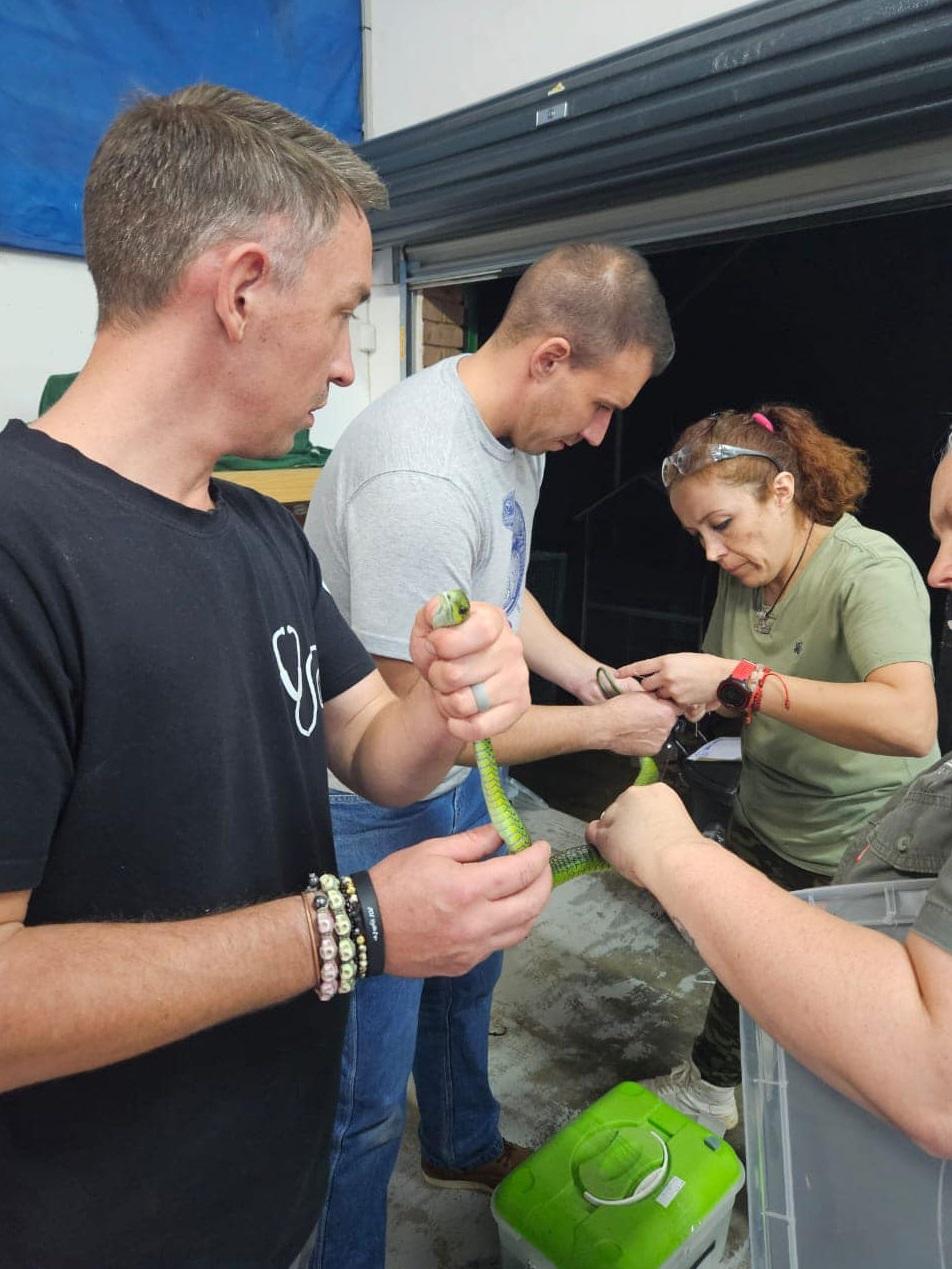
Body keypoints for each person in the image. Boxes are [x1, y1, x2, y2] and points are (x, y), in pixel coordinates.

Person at [0, 84, 554, 1269]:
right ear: (244, 289)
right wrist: (355, 926)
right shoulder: (19, 551)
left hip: (268, 1187)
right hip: (103, 1228)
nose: (351, 369)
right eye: (348, 313)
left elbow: (368, 747)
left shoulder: (256, 533)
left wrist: (452, 708)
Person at [303, 243, 679, 1268]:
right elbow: (412, 719)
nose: (599, 435)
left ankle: (462, 1146)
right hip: (375, 800)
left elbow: (502, 590)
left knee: (469, 978)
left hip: (466, 776)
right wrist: (604, 733)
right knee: (364, 1097)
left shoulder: (514, 437)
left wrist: (598, 678)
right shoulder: (420, 474)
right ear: (551, 356)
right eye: (601, 406)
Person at [587, 430, 952, 1158]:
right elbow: (746, 686)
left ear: (782, 491)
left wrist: (739, 681)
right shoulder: (745, 572)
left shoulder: (868, 569)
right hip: (763, 813)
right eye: (697, 534)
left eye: (721, 525)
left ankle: (798, 1165)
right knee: (744, 970)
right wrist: (692, 701)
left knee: (831, 1037)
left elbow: (911, 722)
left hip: (849, 845)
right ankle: (711, 1090)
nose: (712, 552)